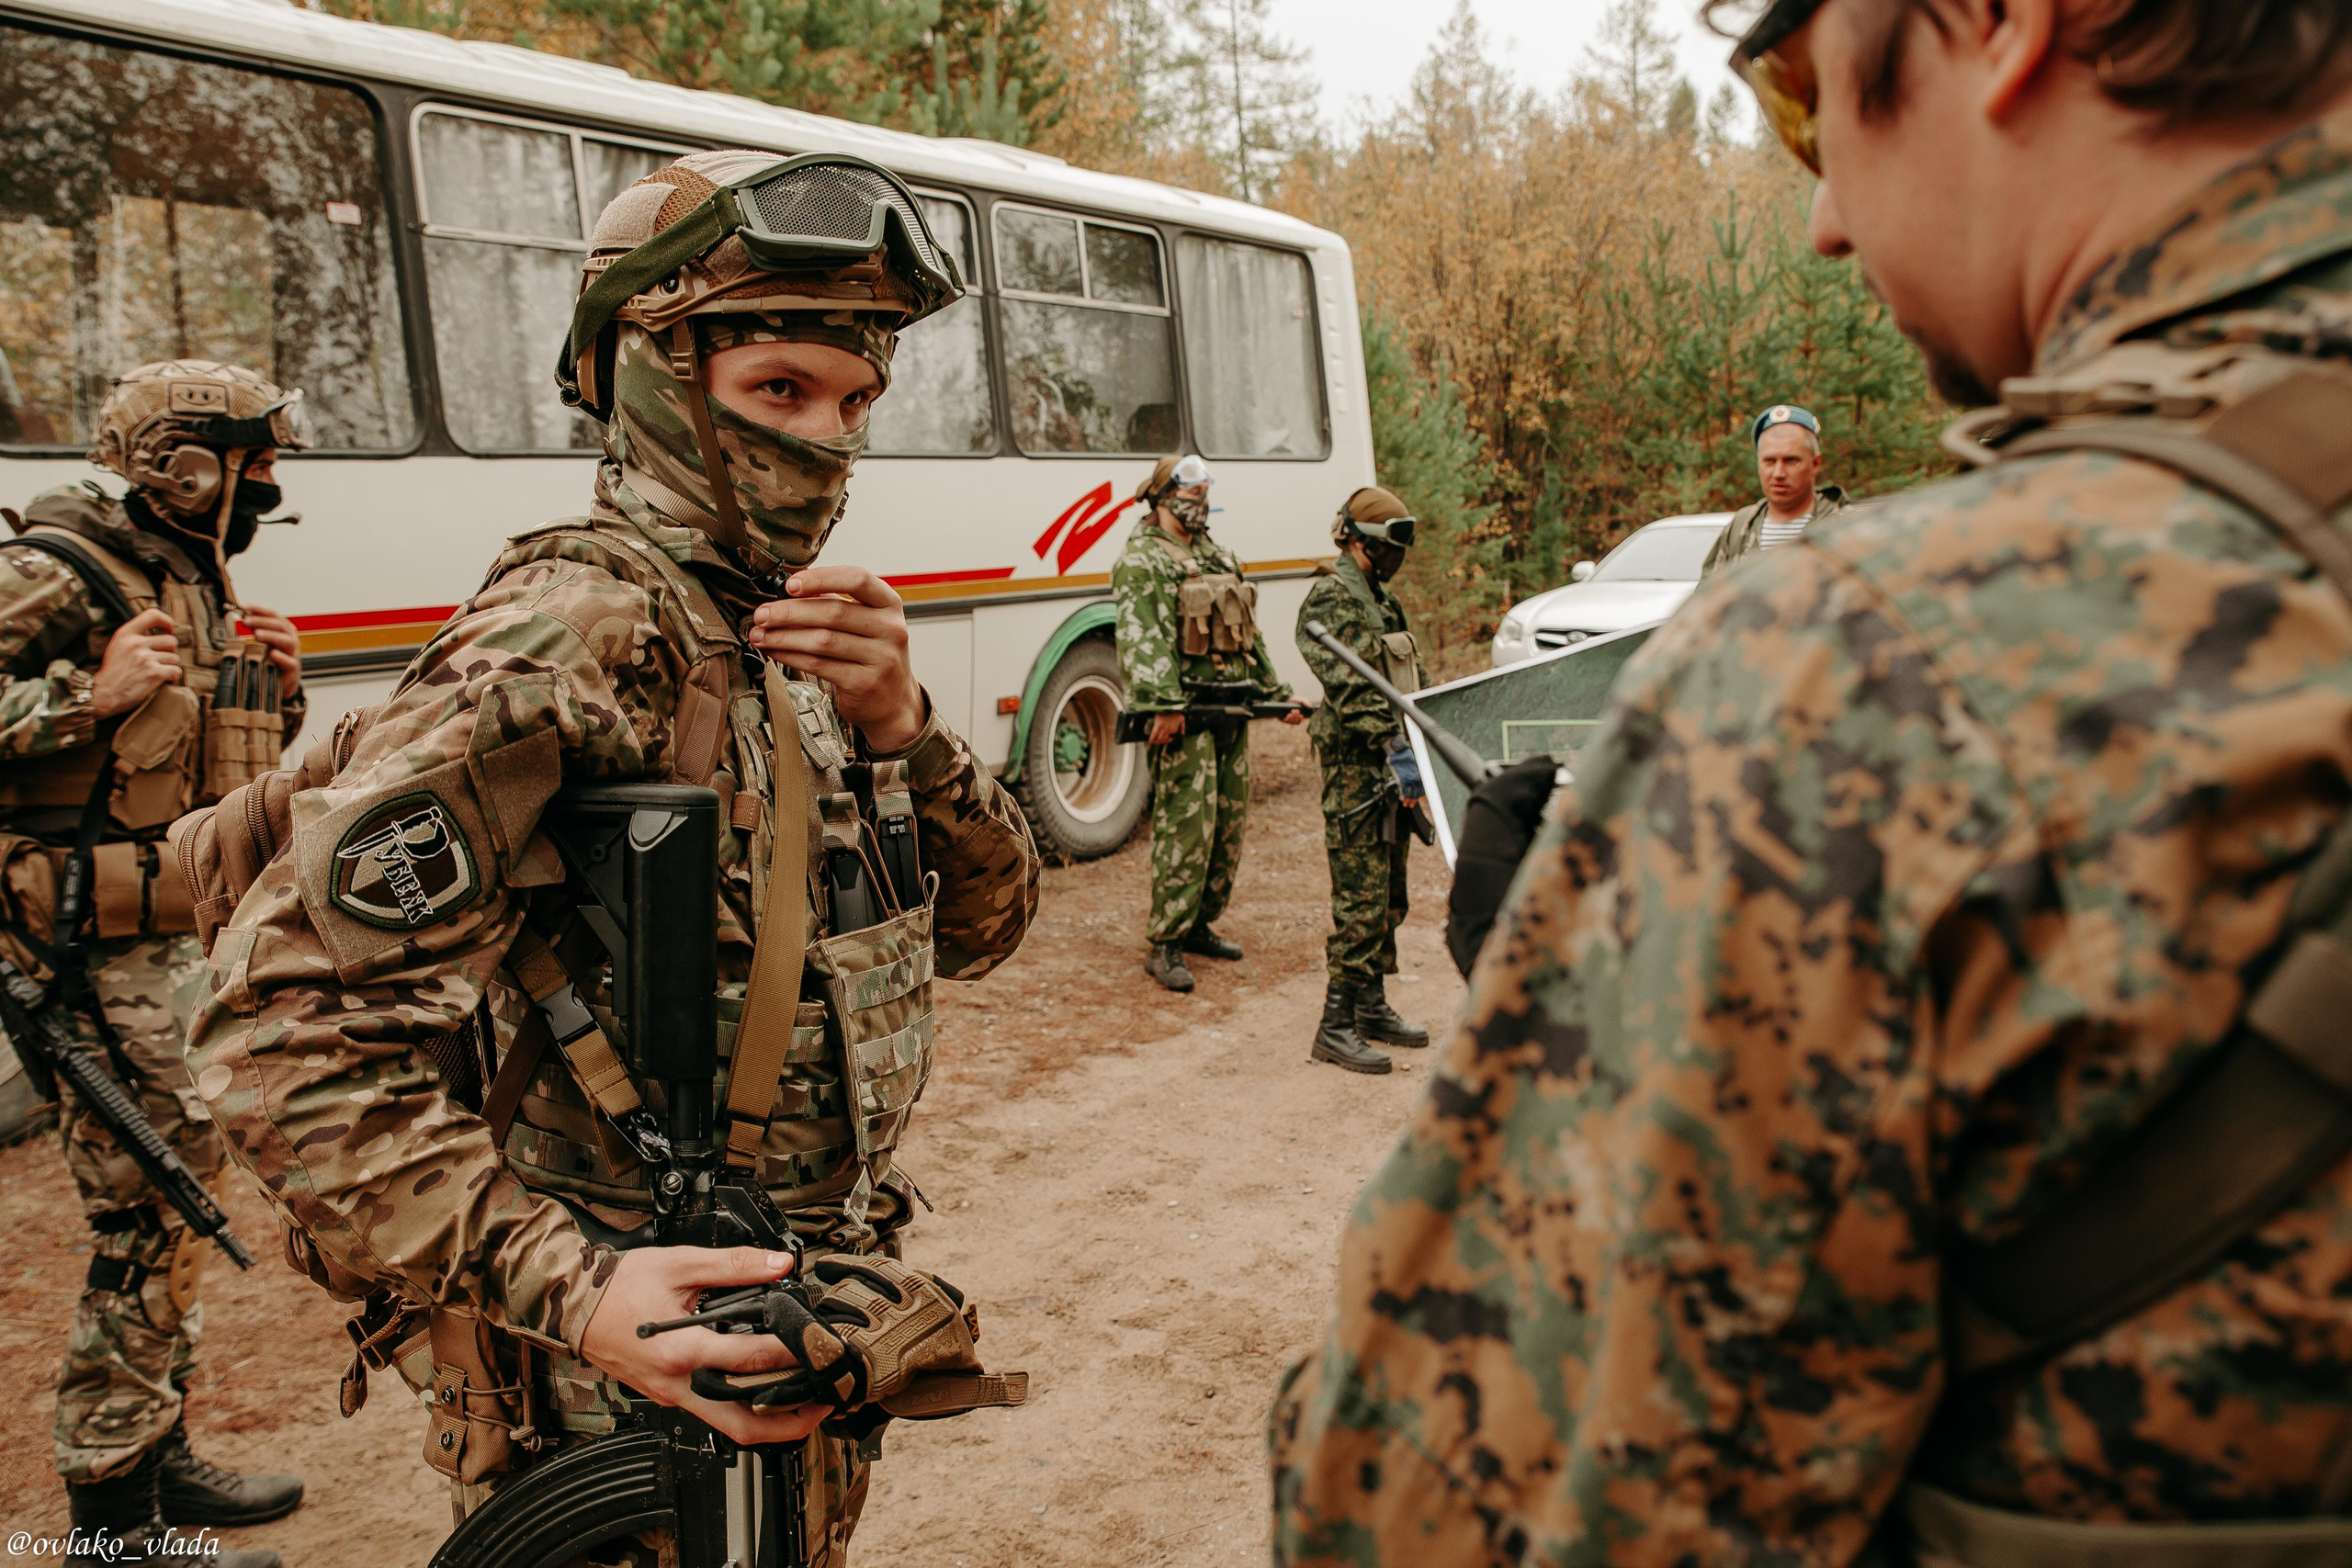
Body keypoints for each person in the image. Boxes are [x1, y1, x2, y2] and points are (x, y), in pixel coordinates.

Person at [1270, 1, 2352, 1563]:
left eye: (1804, 98)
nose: (1831, 217)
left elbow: (1423, 1519)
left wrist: (1586, 994)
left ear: (1999, 26)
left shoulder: (1884, 665)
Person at [184, 151, 1039, 1564]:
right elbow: (269, 1029)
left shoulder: (788, 628)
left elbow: (984, 928)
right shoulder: (576, 631)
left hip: (788, 1322)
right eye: (778, 388)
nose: (828, 442)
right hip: (606, 1390)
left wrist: (908, 731)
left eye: (855, 400)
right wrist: (571, 1287)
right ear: (642, 371)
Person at [0, 361, 309, 1568]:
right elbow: (78, 716)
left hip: (165, 941)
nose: (271, 483)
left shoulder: (184, 572)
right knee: (146, 1214)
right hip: (80, 954)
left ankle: (153, 1450)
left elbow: (190, 773)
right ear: (182, 463)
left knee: (179, 1195)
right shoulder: (57, 571)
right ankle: (112, 1519)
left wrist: (264, 691)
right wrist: (88, 690)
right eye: (256, 459)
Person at [1111, 453, 1302, 994]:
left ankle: (1199, 925)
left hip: (1232, 709)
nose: (1200, 499)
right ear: (1163, 495)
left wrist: (1276, 695)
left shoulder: (1217, 554)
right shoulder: (1144, 559)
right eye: (1189, 490)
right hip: (1184, 713)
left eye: (1204, 490)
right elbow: (1142, 637)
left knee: (1228, 822)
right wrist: (1162, 704)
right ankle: (1165, 941)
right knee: (1185, 824)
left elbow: (1250, 636)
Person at [1294, 487, 1430, 1076]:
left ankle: (1371, 1005)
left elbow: (1404, 679)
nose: (1398, 553)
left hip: (1392, 763)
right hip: (1358, 771)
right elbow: (1351, 686)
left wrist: (1414, 744)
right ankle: (1335, 1025)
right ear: (1360, 538)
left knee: (1389, 895)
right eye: (1393, 539)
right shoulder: (1331, 596)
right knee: (1360, 900)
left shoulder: (1382, 600)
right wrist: (1391, 743)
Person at [1701, 402, 1849, 574]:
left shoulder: (1845, 526)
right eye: (1769, 461)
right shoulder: (1740, 528)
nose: (1778, 473)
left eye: (1791, 460)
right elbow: (1708, 596)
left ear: (1815, 464)